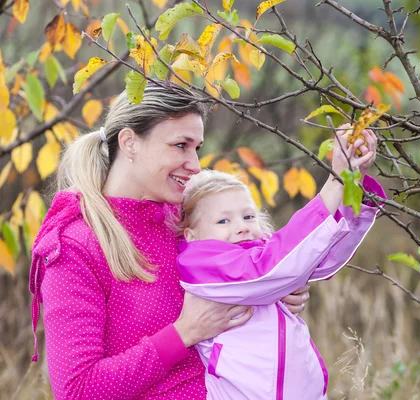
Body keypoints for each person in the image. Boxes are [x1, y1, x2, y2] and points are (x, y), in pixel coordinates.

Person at [29, 82, 311, 399]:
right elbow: (78, 390)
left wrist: (279, 285)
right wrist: (185, 333)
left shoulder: (186, 218)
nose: (195, 164)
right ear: (130, 142)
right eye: (180, 145)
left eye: (197, 148)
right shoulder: (75, 246)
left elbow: (253, 259)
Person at [176, 128, 386, 399]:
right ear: (192, 235)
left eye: (248, 216)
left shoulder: (267, 255)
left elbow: (321, 255)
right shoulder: (202, 265)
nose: (241, 227)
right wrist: (334, 182)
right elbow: (267, 268)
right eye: (223, 221)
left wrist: (351, 180)